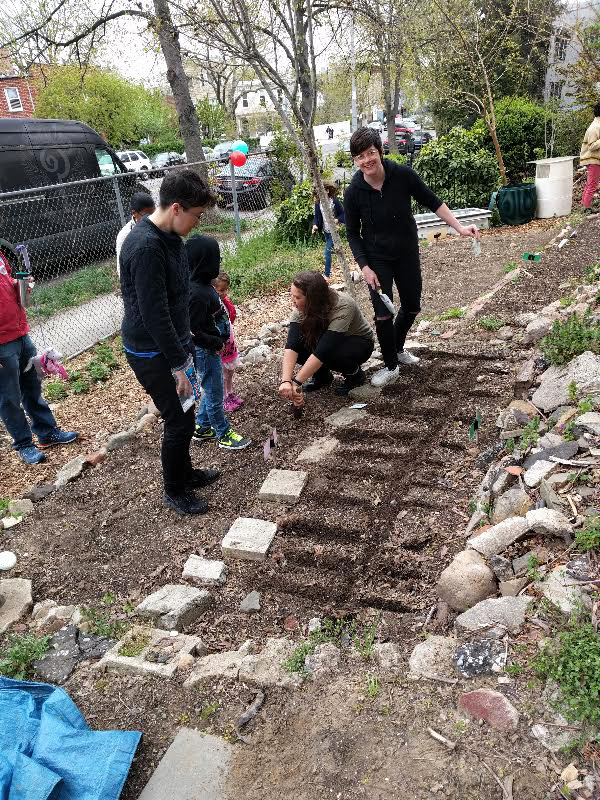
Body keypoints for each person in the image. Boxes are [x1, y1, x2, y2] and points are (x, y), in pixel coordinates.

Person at [344, 127, 480, 387]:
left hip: (406, 252)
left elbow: (433, 201)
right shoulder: (354, 192)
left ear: (380, 152)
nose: (366, 160)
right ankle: (390, 366)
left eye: (370, 153)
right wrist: (364, 266)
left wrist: (460, 227)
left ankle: (396, 347)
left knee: (412, 306)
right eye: (359, 156)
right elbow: (352, 233)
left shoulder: (403, 175)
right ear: (355, 160)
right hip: (376, 259)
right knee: (383, 313)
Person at [120, 170, 220, 516]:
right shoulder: (145, 247)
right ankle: (174, 491)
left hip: (175, 344)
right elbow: (153, 315)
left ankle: (186, 473)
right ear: (176, 208)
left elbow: (177, 296)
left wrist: (186, 340)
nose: (197, 222)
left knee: (188, 411)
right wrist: (179, 365)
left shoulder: (172, 239)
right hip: (151, 351)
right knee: (178, 419)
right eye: (196, 215)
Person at [0, 251, 78, 464]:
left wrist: (19, 285)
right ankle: (24, 444)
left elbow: (5, 285)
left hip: (20, 333)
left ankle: (46, 432)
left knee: (32, 386)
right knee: (10, 398)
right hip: (2, 343)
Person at [186, 237, 251, 450]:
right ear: (204, 261)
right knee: (214, 393)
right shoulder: (195, 293)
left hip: (213, 348)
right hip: (206, 350)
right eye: (215, 258)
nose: (218, 262)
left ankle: (202, 427)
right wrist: (215, 342)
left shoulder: (205, 286)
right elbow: (193, 331)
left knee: (212, 388)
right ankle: (223, 434)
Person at [278, 271, 374, 403]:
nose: (293, 301)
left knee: (331, 353)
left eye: (298, 298)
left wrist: (296, 382)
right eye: (292, 296)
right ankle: (322, 377)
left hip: (358, 342)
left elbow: (325, 349)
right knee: (300, 348)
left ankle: (355, 375)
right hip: (327, 339)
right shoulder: (301, 308)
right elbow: (292, 345)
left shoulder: (343, 305)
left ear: (312, 299)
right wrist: (286, 381)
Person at [212, 271, 243, 412]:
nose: (224, 293)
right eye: (221, 290)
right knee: (223, 373)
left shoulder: (224, 302)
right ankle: (224, 399)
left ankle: (230, 394)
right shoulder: (213, 305)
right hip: (221, 345)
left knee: (230, 371)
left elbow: (231, 317)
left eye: (226, 289)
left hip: (229, 342)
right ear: (213, 289)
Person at [115, 192, 156, 276]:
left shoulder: (157, 225)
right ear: (134, 213)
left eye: (154, 214)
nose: (151, 219)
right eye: (147, 216)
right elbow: (121, 270)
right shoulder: (125, 235)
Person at [312, 183, 345, 279]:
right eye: (318, 191)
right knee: (330, 249)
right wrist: (314, 225)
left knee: (327, 252)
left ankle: (327, 274)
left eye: (322, 190)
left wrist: (337, 220)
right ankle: (336, 254)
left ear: (327, 190)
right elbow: (317, 217)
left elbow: (343, 214)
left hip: (334, 230)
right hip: (325, 230)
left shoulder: (334, 202)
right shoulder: (318, 203)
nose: (320, 192)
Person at [580, 101, 600, 213]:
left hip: (596, 160)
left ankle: (585, 204)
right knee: (592, 184)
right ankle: (586, 207)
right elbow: (592, 146)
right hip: (593, 160)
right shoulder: (594, 127)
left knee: (591, 183)